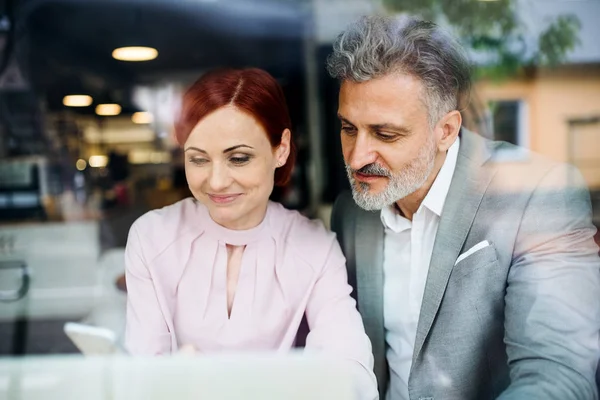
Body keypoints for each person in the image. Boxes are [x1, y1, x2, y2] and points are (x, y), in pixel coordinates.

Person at [327, 15, 600, 400]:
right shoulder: (351, 212)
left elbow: (558, 375)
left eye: (385, 134)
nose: (356, 158)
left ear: (447, 130)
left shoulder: (538, 195)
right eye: (348, 128)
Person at [124, 68, 378, 399]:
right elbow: (140, 381)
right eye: (198, 160)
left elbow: (353, 376)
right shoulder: (152, 237)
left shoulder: (313, 246)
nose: (216, 182)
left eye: (239, 158)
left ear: (281, 149)